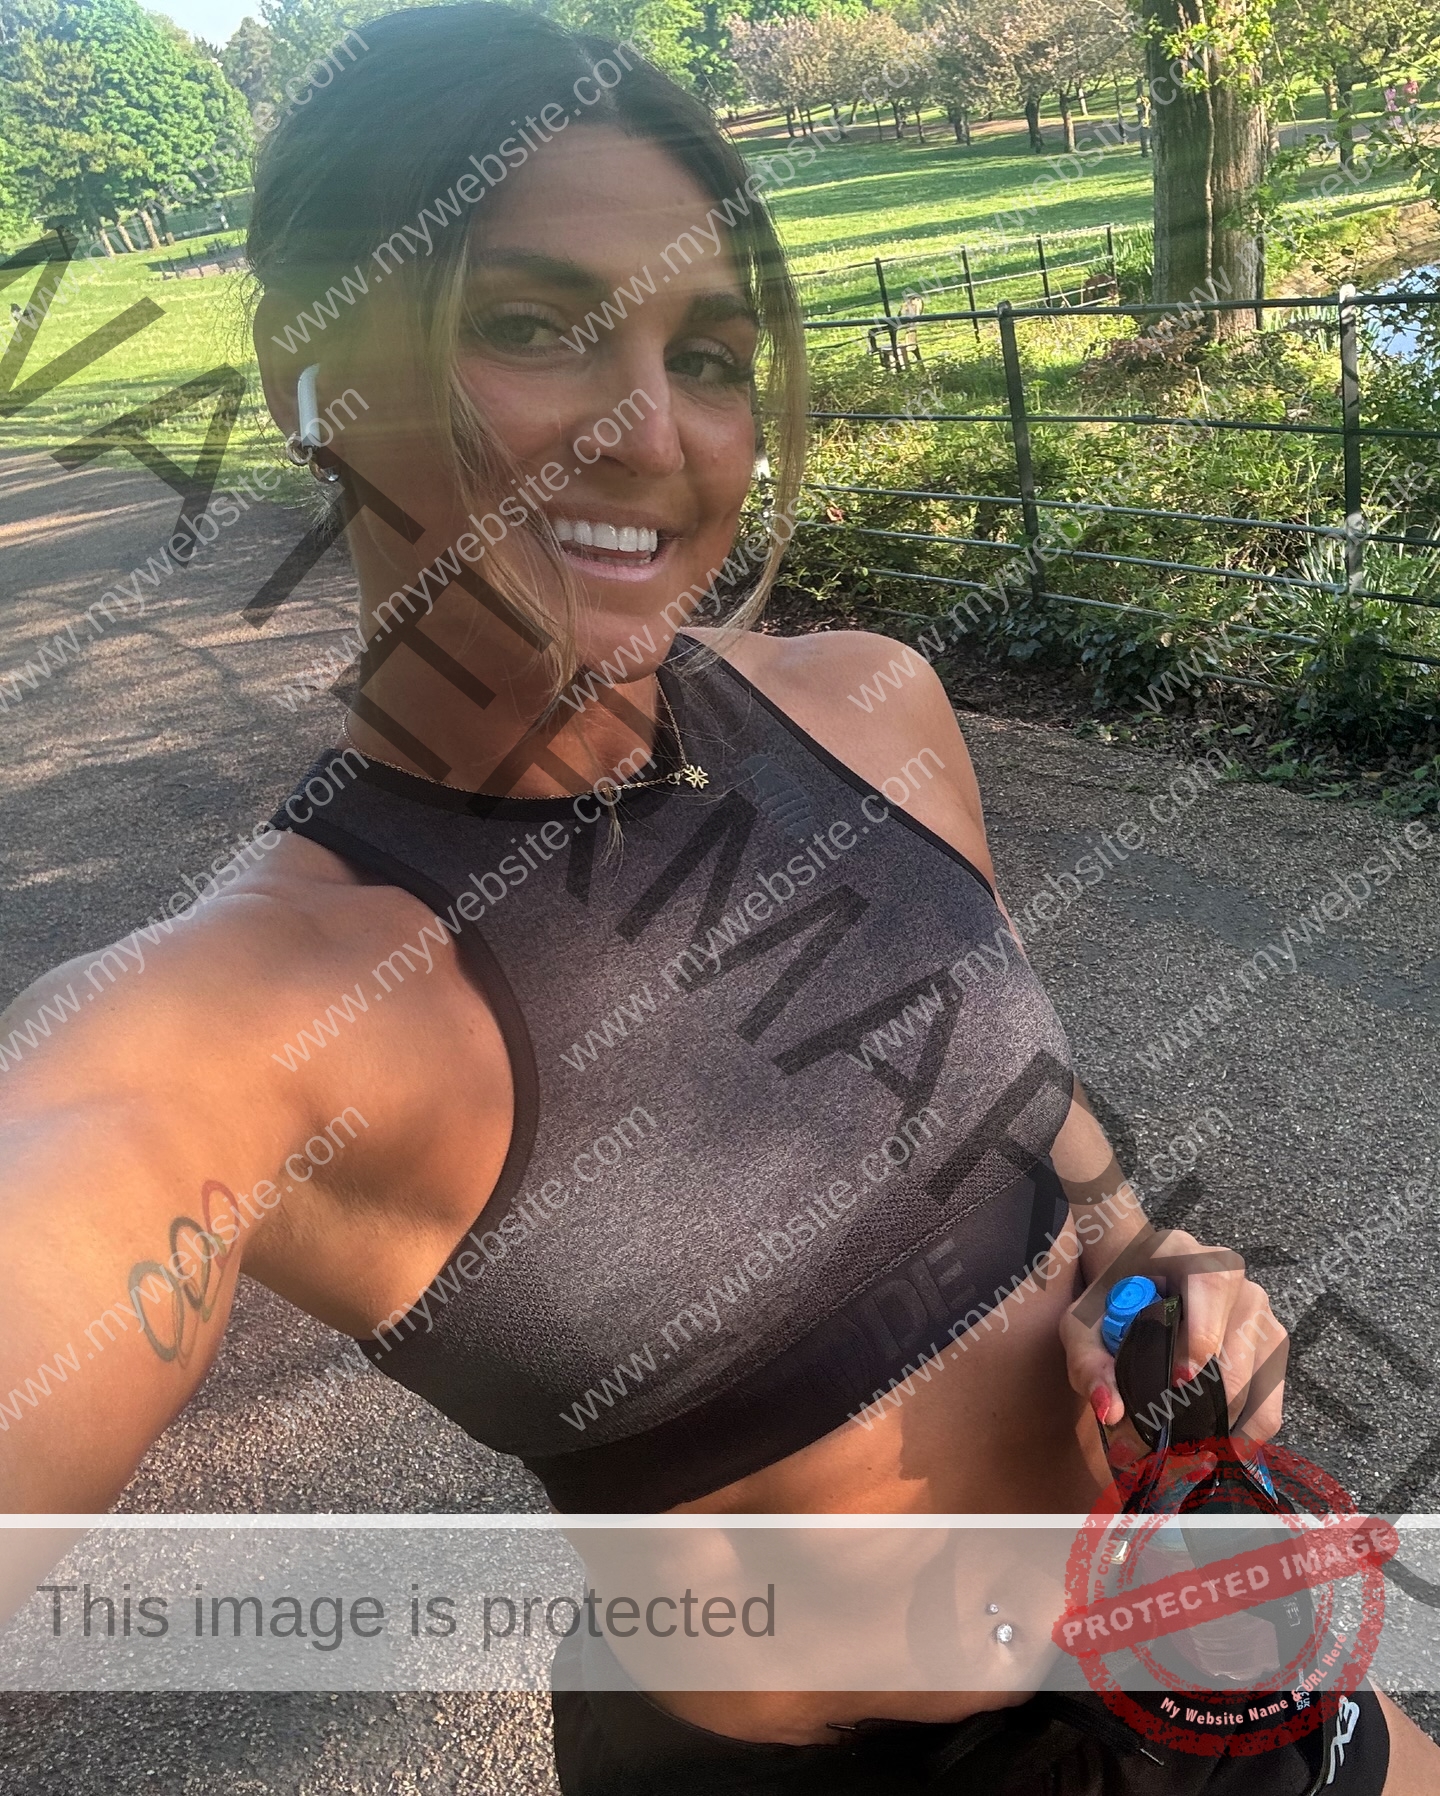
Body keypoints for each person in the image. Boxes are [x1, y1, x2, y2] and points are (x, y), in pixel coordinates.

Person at [2, 7, 1435, 1792]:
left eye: (714, 353)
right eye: (532, 325)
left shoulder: (870, 708)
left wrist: (1155, 1261)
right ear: (315, 375)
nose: (649, 429)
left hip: (1199, 1640)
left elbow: (1034, 1134)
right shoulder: (235, 1026)